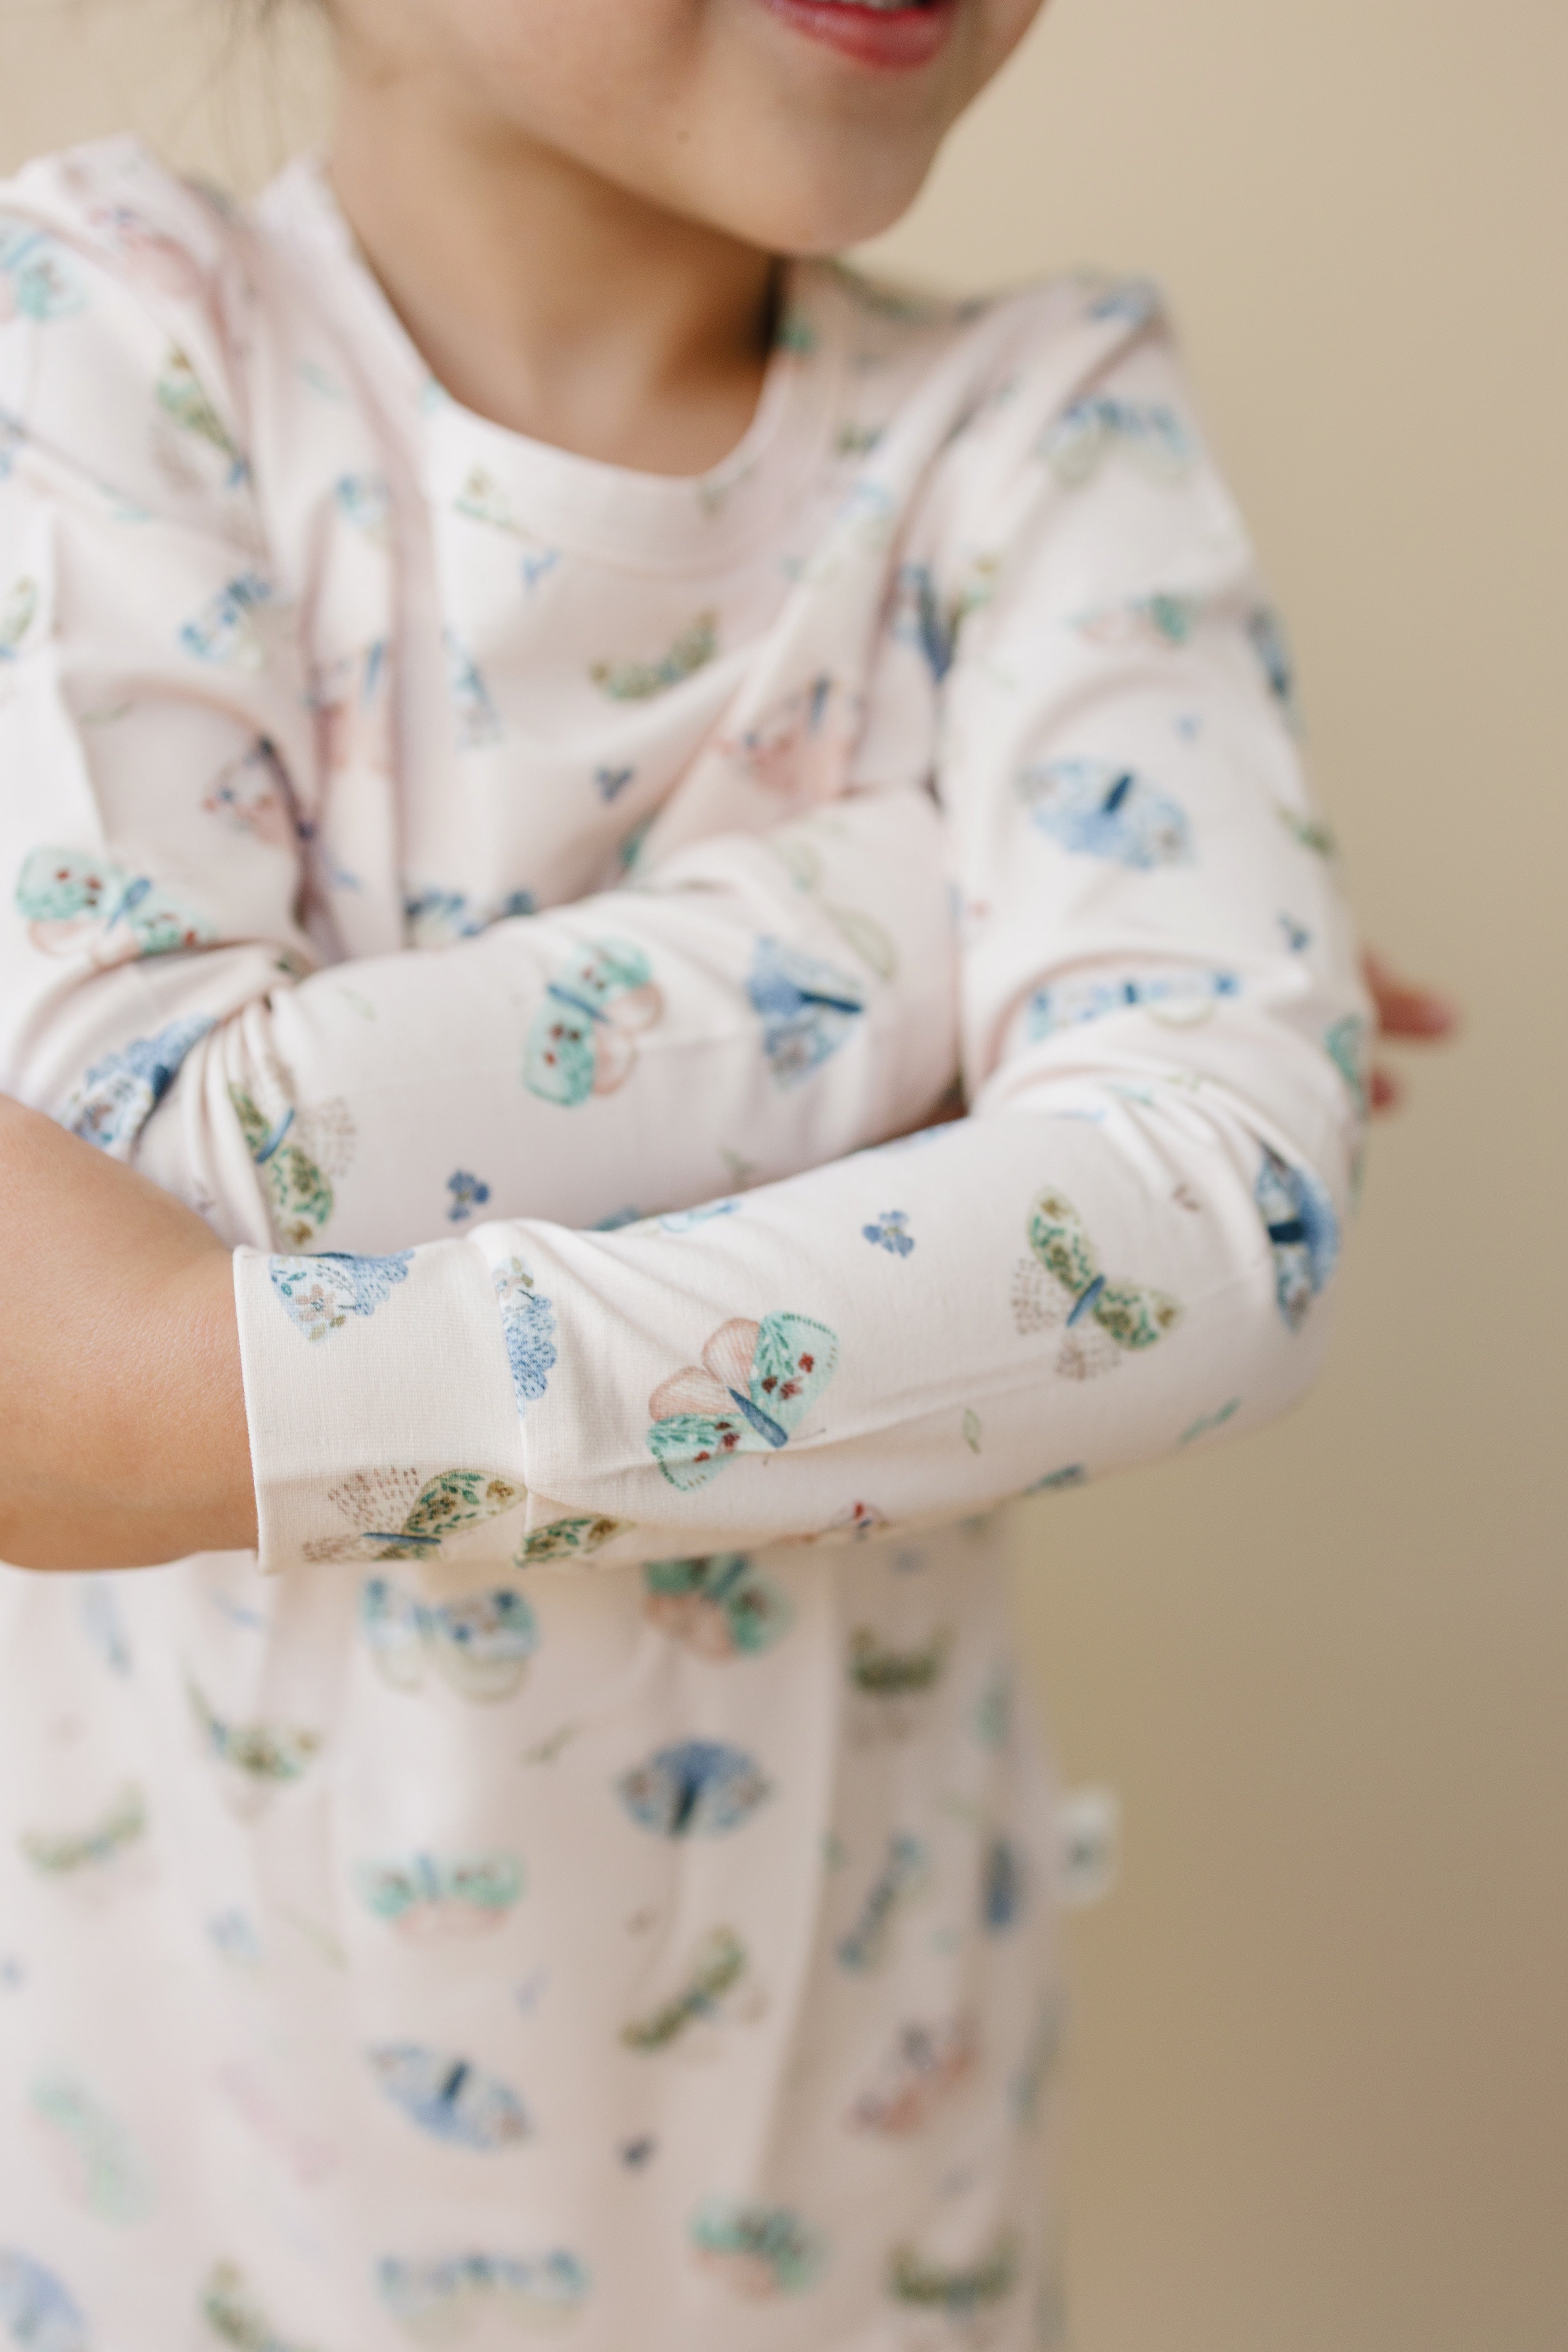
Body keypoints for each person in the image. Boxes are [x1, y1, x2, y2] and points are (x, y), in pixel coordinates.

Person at [0, 0, 1452, 2341]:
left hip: (859, 2213)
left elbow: (1220, 1214)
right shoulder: (101, 326)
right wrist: (930, 920)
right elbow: (135, 1170)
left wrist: (229, 1402)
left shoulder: (1040, 426)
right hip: (169, 2197)